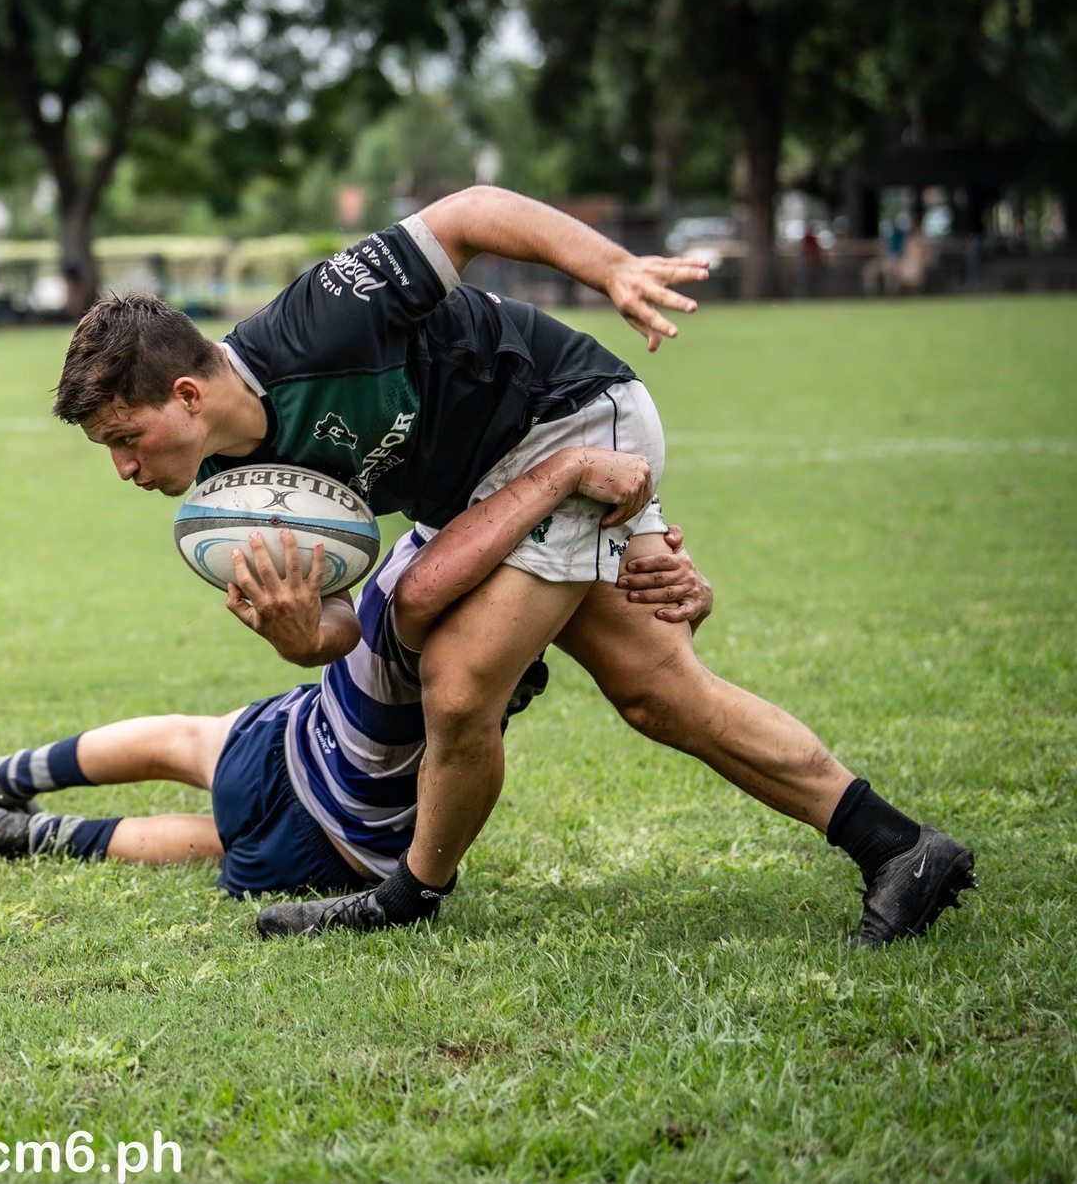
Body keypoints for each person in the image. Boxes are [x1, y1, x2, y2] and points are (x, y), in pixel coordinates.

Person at [53, 187, 974, 947]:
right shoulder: (234, 490)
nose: (124, 469)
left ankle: (409, 896)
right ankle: (900, 847)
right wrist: (300, 637)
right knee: (658, 690)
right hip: (486, 490)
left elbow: (469, 212)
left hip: (564, 416)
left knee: (458, 685)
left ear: (187, 394)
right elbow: (343, 629)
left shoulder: (320, 321)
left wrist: (610, 266)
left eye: (126, 439)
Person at [0, 449, 712, 897]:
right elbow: (644, 638)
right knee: (214, 840)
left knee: (183, 739)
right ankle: (36, 831)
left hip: (297, 734)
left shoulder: (432, 541)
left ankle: (1, 777)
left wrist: (668, 573)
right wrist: (651, 560)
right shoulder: (515, 595)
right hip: (346, 831)